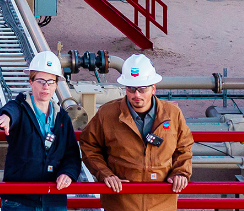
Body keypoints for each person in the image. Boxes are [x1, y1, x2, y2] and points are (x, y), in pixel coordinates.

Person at [79, 54, 193, 211]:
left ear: (153, 88)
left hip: (161, 204)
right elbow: (88, 145)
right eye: (131, 89)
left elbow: (184, 148)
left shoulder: (173, 114)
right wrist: (105, 174)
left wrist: (181, 172)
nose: (136, 95)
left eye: (142, 89)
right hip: (121, 203)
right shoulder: (107, 114)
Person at [0, 51, 82, 211]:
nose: (46, 86)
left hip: (53, 199)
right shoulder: (20, 108)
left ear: (56, 84)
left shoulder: (62, 118)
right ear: (31, 82)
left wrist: (68, 173)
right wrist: (6, 117)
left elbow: (72, 155)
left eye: (51, 82)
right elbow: (12, 110)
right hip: (19, 201)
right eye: (40, 81)